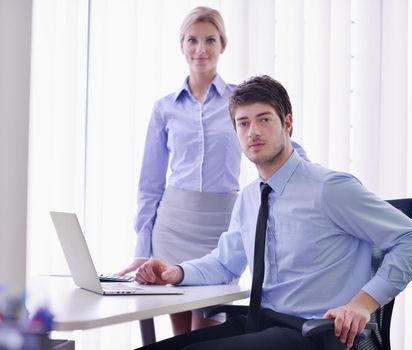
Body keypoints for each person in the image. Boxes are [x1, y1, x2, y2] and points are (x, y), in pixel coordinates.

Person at [134, 75, 412, 350]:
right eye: (243, 123)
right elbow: (225, 263)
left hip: (313, 332)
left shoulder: (328, 188)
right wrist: (176, 272)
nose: (254, 132)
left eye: (264, 119)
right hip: (260, 325)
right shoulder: (250, 197)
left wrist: (362, 305)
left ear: (287, 123)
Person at [117, 7, 308, 335]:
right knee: (180, 332)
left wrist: (307, 172)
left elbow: (277, 140)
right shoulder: (165, 108)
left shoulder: (240, 100)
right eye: (192, 40)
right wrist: (142, 247)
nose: (201, 49)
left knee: (206, 326)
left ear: (223, 45)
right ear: (181, 45)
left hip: (220, 223)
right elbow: (150, 183)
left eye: (210, 40)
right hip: (173, 223)